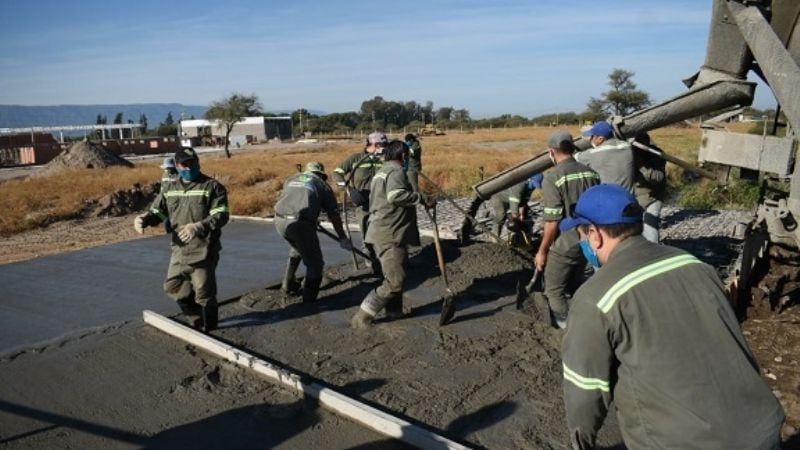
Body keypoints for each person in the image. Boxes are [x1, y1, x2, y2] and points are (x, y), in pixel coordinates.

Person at [558, 183, 784, 450]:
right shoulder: (693, 265)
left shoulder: (596, 297)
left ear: (595, 235)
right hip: (762, 429)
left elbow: (585, 392)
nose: (583, 242)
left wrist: (581, 443)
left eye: (581, 234)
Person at [134, 147, 229, 331]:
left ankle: (211, 328)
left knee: (204, 293)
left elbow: (221, 215)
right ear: (177, 166)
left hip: (204, 250)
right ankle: (196, 318)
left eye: (193, 163)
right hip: (179, 249)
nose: (190, 167)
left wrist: (199, 226)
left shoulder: (212, 187)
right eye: (185, 165)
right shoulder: (170, 188)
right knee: (173, 286)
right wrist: (144, 220)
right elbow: (158, 212)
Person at [351, 140, 435, 328]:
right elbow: (395, 196)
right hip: (389, 233)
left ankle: (394, 312)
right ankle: (362, 317)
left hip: (386, 231)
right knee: (395, 281)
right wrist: (421, 198)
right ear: (403, 156)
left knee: (397, 274)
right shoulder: (396, 172)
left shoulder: (382, 171)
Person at [535, 131, 600, 328]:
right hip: (591, 239)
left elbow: (552, 221)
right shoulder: (591, 172)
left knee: (554, 290)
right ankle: (589, 321)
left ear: (551, 152)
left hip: (566, 241)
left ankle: (567, 328)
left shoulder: (553, 177)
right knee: (579, 284)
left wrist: (542, 251)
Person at [274, 161, 352, 303]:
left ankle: (288, 284)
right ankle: (308, 302)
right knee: (315, 265)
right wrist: (343, 238)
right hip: (300, 224)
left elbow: (293, 200)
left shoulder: (292, 179)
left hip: (279, 220)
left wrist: (310, 217)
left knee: (297, 248)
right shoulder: (323, 186)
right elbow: (334, 216)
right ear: (321, 175)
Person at [333, 132, 386, 272]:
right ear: (375, 144)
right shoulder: (355, 159)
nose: (384, 148)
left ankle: (383, 255)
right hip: (363, 201)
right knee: (365, 229)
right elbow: (337, 173)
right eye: (382, 145)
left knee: (382, 228)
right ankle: (369, 256)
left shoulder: (384, 159)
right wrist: (349, 190)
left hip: (381, 201)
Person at [574, 121, 635, 193]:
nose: (591, 139)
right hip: (629, 197)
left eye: (592, 137)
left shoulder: (595, 154)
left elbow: (576, 157)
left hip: (610, 199)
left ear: (600, 138)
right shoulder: (627, 147)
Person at [632, 132, 667, 243]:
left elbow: (658, 177)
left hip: (653, 197)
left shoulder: (656, 154)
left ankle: (654, 251)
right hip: (636, 197)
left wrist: (641, 166)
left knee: (650, 226)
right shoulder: (628, 154)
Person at [490, 180, 534, 244]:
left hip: (510, 199)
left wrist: (521, 216)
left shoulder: (530, 188)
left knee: (524, 218)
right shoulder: (519, 186)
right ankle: (494, 239)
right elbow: (514, 208)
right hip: (500, 198)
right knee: (500, 216)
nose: (534, 187)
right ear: (530, 180)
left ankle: (522, 241)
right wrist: (516, 223)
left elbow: (523, 203)